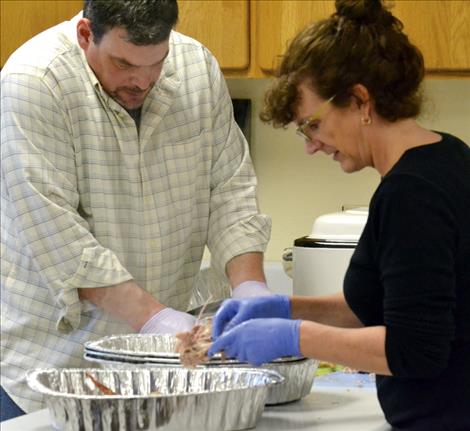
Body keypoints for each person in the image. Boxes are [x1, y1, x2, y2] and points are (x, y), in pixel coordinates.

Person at [0, 0, 272, 420]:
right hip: (52, 370)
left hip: (158, 376)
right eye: (124, 64)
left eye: (157, 62)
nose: (142, 81)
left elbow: (230, 190)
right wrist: (157, 319)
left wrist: (250, 287)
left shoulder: (195, 67)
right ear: (86, 33)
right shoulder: (34, 82)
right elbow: (59, 239)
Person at [208, 0, 470, 429]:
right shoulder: (445, 154)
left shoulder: (412, 193)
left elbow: (416, 349)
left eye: (312, 124)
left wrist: (294, 338)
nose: (311, 145)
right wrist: (285, 308)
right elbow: (376, 305)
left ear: (359, 99)